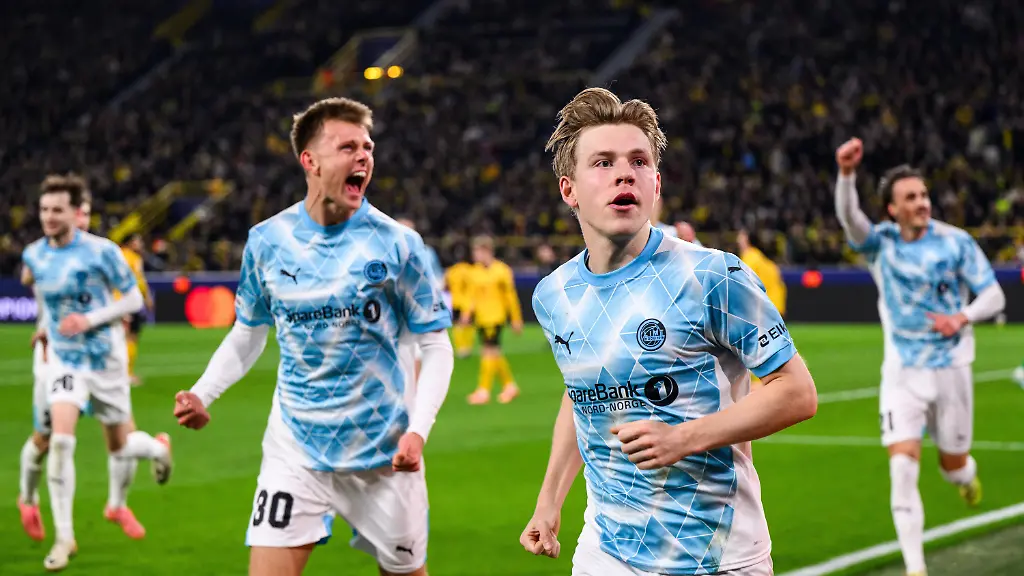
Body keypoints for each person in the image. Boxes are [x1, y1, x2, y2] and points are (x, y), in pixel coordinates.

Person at [520, 87, 818, 575]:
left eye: (638, 161)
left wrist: (684, 438)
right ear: (568, 190)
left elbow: (797, 393)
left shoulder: (713, 275)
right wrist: (549, 502)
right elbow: (581, 395)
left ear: (655, 184)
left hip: (716, 552)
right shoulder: (554, 295)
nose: (624, 173)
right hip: (604, 550)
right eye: (603, 162)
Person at [172, 97, 455, 576]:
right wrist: (202, 393)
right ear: (310, 160)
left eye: (368, 147)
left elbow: (435, 345)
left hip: (384, 455)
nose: (363, 156)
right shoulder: (267, 241)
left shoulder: (399, 244)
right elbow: (248, 332)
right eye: (347, 147)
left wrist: (418, 431)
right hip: (296, 450)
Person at [834, 138, 1006, 576]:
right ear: (892, 209)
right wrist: (847, 174)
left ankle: (966, 477)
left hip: (951, 370)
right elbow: (850, 218)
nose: (922, 203)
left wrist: (961, 317)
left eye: (924, 195)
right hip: (902, 372)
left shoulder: (956, 242)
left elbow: (994, 294)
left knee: (953, 467)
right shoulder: (880, 244)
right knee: (902, 468)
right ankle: (916, 568)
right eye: (910, 197)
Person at [21, 174, 173, 571]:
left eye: (57, 210)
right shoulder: (34, 254)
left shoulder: (103, 252)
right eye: (44, 209)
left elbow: (134, 300)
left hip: (106, 360)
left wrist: (89, 320)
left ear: (76, 212)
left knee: (120, 447)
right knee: (61, 441)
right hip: (65, 360)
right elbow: (40, 290)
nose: (49, 217)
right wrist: (45, 325)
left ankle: (158, 449)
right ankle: (64, 538)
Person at [462, 235, 523, 405]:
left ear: (487, 251)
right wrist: (466, 313)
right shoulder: (474, 272)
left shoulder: (501, 271)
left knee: (488, 352)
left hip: (495, 317)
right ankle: (509, 386)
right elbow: (471, 296)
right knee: (493, 353)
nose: (475, 256)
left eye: (477, 252)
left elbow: (510, 297)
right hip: (481, 318)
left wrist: (516, 318)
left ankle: (484, 390)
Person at [118, 233, 154, 386]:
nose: (141, 244)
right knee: (128, 338)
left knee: (129, 338)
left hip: (132, 302)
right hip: (127, 302)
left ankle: (126, 372)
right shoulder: (125, 256)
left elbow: (140, 280)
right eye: (137, 241)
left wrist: (147, 297)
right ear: (130, 243)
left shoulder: (134, 257)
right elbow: (124, 281)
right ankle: (126, 374)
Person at [736, 229, 786, 317]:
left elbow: (744, 282)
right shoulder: (758, 256)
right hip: (775, 302)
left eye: (741, 236)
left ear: (747, 239)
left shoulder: (750, 257)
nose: (738, 239)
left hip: (766, 306)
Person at [444, 254, 476, 358]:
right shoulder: (470, 270)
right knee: (468, 324)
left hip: (455, 301)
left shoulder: (450, 271)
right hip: (468, 301)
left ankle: (460, 347)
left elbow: (446, 286)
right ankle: (467, 347)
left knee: (457, 325)